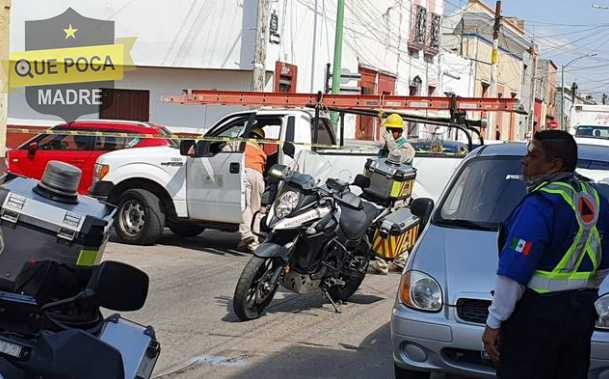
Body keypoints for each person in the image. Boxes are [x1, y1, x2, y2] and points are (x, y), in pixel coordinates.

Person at [482, 130, 609, 379]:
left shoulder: (540, 204)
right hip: (579, 319)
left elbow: (513, 273)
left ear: (555, 164)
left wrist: (493, 322)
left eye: (533, 154)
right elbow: (603, 263)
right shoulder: (598, 202)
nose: (524, 160)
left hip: (534, 322)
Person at [237, 126, 267, 253]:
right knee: (256, 210)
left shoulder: (241, 142)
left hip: (246, 174)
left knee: (245, 206)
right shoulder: (260, 150)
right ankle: (254, 243)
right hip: (259, 177)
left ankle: (246, 234)